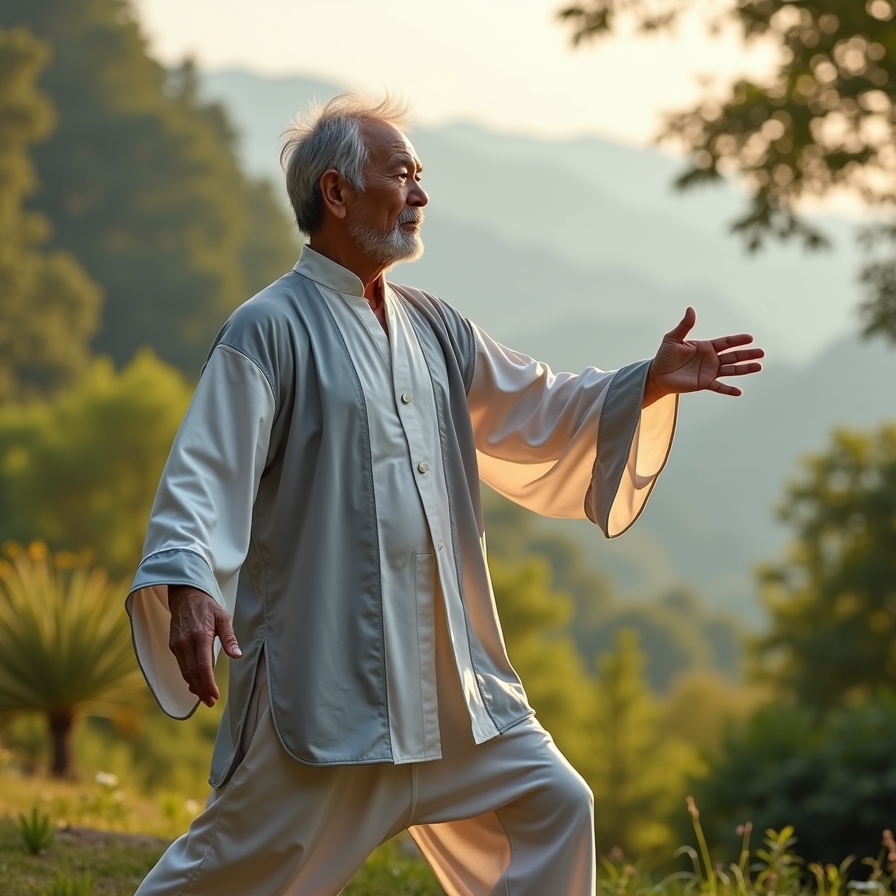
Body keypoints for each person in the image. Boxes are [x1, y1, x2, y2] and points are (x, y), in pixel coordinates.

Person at [126, 93, 763, 896]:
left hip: (454, 698)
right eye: (402, 174)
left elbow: (537, 404)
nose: (421, 194)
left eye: (421, 175)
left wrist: (645, 382)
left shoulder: (435, 327)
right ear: (336, 193)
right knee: (217, 878)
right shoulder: (269, 328)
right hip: (327, 698)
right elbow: (204, 469)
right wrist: (187, 581)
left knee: (558, 803)